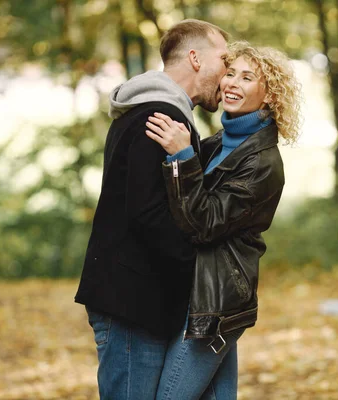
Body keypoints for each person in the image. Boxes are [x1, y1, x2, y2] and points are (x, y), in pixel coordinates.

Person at [74, 19, 229, 400]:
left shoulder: (156, 110)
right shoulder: (158, 115)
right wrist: (201, 267)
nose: (227, 76)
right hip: (131, 301)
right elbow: (149, 213)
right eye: (224, 61)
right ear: (195, 58)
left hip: (141, 297)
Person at [144, 41, 302, 399]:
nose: (232, 82)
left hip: (216, 301)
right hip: (192, 290)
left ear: (270, 95)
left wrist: (183, 156)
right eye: (230, 73)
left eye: (247, 78)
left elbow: (205, 222)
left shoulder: (262, 163)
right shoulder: (218, 143)